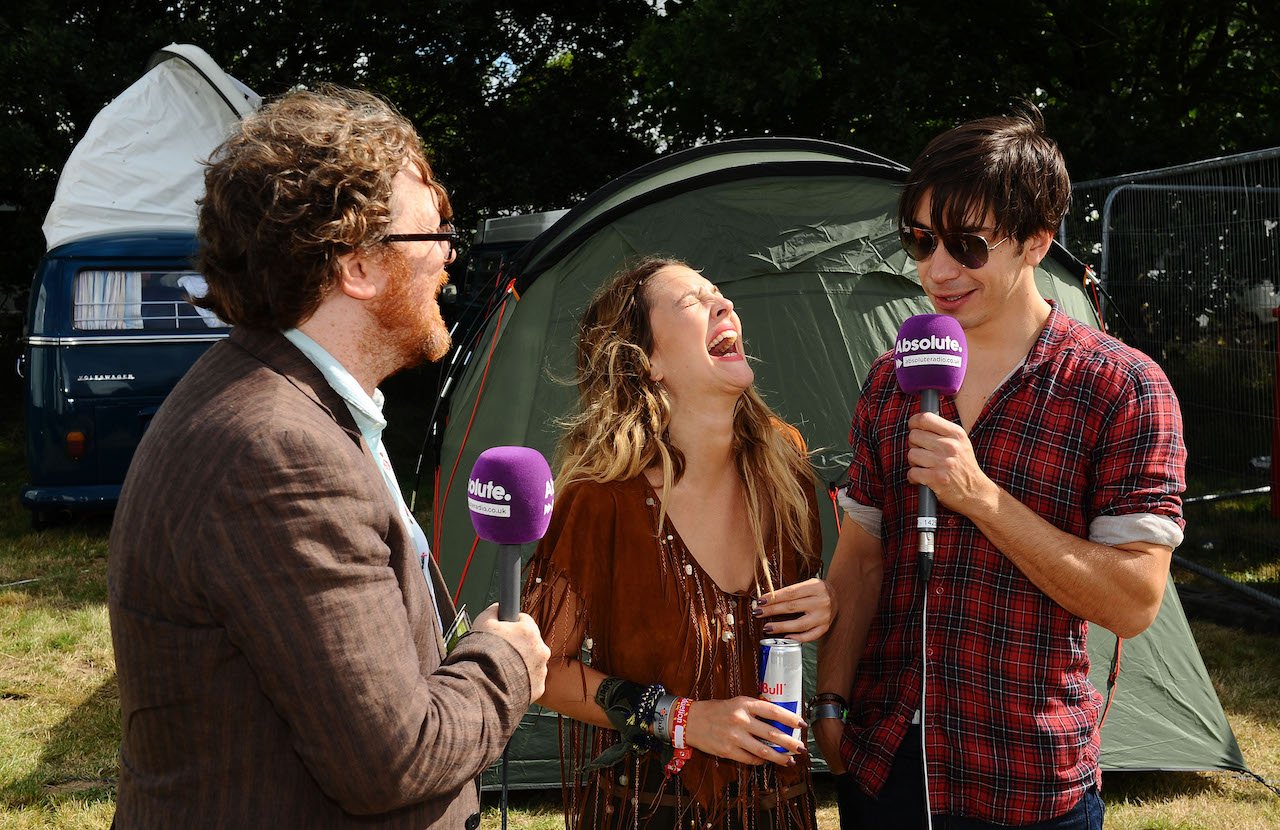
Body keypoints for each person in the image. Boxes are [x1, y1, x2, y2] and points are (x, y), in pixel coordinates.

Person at [107, 86, 550, 829]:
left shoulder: (272, 396)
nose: (448, 257)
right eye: (431, 234)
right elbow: (393, 760)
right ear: (358, 267)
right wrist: (503, 662)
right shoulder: (277, 450)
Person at [813, 107, 1186, 829]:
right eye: (919, 241)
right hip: (886, 764)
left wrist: (980, 497)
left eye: (968, 245)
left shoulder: (1121, 387)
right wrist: (830, 703)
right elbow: (861, 558)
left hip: (1027, 779)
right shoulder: (892, 378)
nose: (937, 269)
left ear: (1037, 243)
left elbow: (1133, 602)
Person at [523, 257, 836, 828]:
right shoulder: (602, 498)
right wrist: (684, 719)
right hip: (645, 810)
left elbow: (801, 613)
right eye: (692, 301)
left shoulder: (785, 466)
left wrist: (825, 604)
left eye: (720, 294)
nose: (725, 305)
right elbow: (541, 668)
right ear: (649, 362)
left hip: (774, 805)